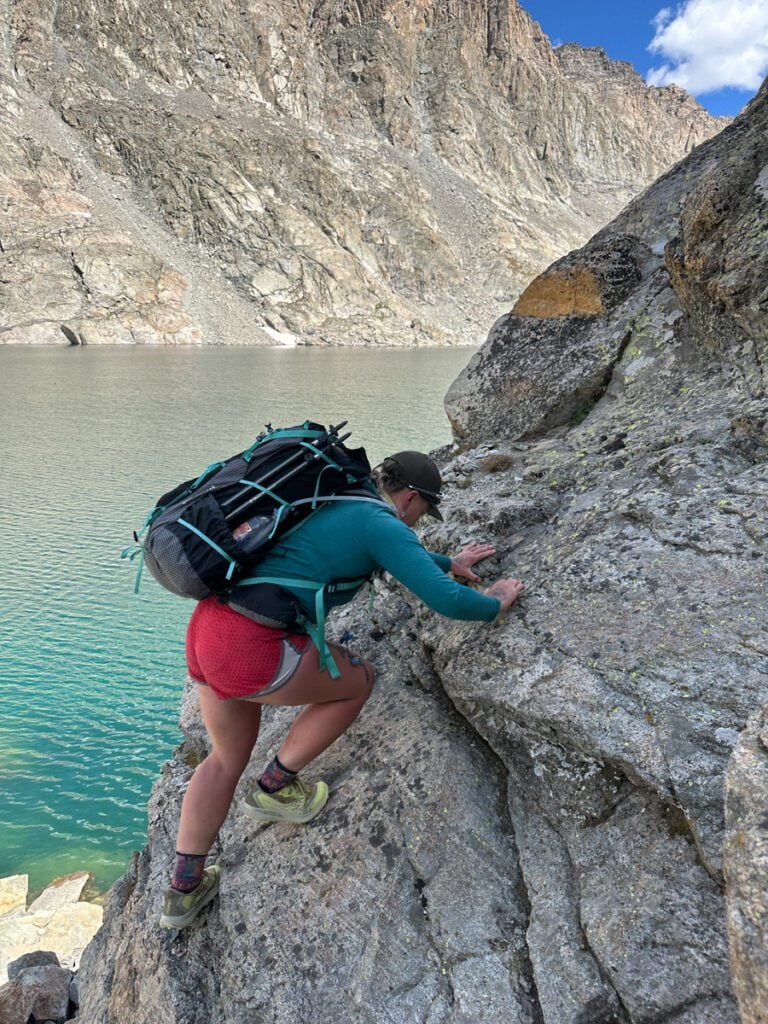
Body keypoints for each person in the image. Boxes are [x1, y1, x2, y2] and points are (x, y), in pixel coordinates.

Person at [160, 451, 525, 928]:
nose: (418, 522)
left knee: (225, 757)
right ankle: (274, 787)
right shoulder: (381, 521)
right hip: (249, 646)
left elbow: (381, 550)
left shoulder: (333, 498)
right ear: (411, 497)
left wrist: (447, 561)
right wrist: (494, 603)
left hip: (208, 632)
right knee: (358, 682)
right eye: (423, 512)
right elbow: (447, 600)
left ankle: (182, 892)